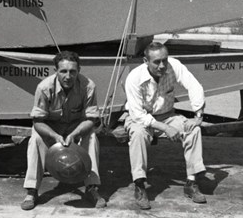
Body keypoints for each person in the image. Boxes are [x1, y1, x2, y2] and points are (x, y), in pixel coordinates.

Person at [124, 41, 207, 210]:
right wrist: (165, 128)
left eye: (165, 60)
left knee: (194, 130)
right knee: (138, 135)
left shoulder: (174, 66)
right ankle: (140, 185)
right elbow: (138, 115)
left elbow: (195, 86)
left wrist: (198, 116)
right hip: (139, 119)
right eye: (156, 62)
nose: (162, 66)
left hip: (168, 115)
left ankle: (191, 182)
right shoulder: (134, 78)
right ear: (145, 61)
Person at [21, 50, 106, 210]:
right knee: (36, 140)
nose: (68, 76)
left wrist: (75, 134)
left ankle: (92, 188)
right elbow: (38, 121)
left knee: (92, 137)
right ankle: (31, 191)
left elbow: (91, 118)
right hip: (51, 127)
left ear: (78, 71)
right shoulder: (44, 88)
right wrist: (54, 136)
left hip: (76, 126)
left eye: (73, 71)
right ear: (56, 71)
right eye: (63, 71)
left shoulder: (88, 86)